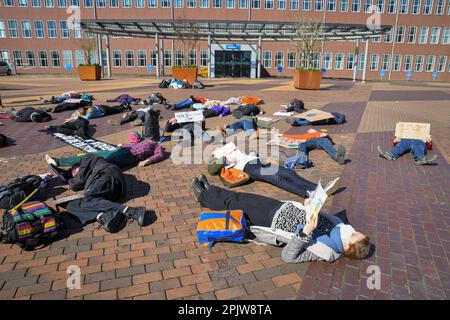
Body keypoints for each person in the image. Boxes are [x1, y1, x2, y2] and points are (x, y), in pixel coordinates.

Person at [191, 175, 370, 263]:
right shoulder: (337, 226)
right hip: (281, 207)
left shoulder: (327, 252)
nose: (352, 230)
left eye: (354, 235)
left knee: (236, 206)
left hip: (271, 222)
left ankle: (203, 197)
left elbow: (289, 257)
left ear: (347, 247)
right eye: (357, 231)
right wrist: (309, 205)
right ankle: (211, 191)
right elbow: (315, 214)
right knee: (242, 197)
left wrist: (304, 233)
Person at [50, 154, 147, 232]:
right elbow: (79, 181)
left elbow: (77, 183)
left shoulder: (89, 157)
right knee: (68, 205)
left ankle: (132, 210)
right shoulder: (90, 176)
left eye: (74, 172)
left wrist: (69, 179)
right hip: (107, 191)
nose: (75, 175)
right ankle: (103, 216)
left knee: (87, 200)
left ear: (77, 165)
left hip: (106, 176)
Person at [211, 143, 339, 199]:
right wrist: (218, 155)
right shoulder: (217, 157)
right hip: (248, 168)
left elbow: (250, 155)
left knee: (288, 173)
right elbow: (212, 170)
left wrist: (263, 158)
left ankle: (319, 188)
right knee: (277, 178)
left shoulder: (231, 149)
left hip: (257, 161)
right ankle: (307, 193)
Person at [45, 132, 166, 168]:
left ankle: (67, 168)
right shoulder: (143, 140)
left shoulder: (157, 146)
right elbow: (133, 143)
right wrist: (122, 144)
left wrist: (148, 161)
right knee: (93, 155)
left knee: (100, 160)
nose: (151, 137)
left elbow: (159, 155)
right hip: (121, 151)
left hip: (129, 157)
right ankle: (60, 161)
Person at [282, 129, 346, 167]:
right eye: (309, 130)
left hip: (322, 139)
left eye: (311, 130)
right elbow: (295, 137)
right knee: (301, 144)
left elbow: (330, 138)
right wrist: (282, 135)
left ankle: (336, 156)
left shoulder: (321, 134)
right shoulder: (307, 135)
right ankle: (302, 160)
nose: (310, 130)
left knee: (327, 145)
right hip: (313, 142)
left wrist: (326, 135)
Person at [66, 103, 132, 122]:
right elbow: (74, 113)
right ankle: (122, 105)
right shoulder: (84, 109)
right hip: (100, 106)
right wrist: (75, 115)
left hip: (103, 111)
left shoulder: (90, 112)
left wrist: (77, 116)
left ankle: (125, 107)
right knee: (112, 108)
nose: (78, 113)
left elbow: (87, 117)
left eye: (80, 113)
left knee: (115, 111)